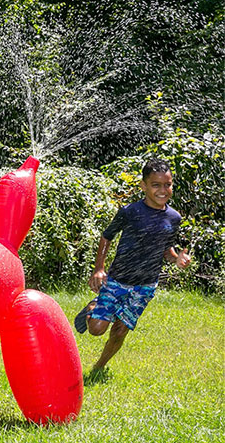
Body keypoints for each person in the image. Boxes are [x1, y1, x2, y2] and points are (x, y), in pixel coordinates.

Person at [74, 158, 191, 375]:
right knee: (97, 329)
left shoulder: (174, 218)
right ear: (143, 186)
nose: (163, 190)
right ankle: (92, 308)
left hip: (145, 285)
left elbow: (167, 248)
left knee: (120, 331)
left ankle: (98, 367)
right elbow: (107, 236)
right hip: (118, 280)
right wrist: (99, 268)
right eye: (156, 185)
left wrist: (176, 258)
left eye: (168, 184)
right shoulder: (130, 212)